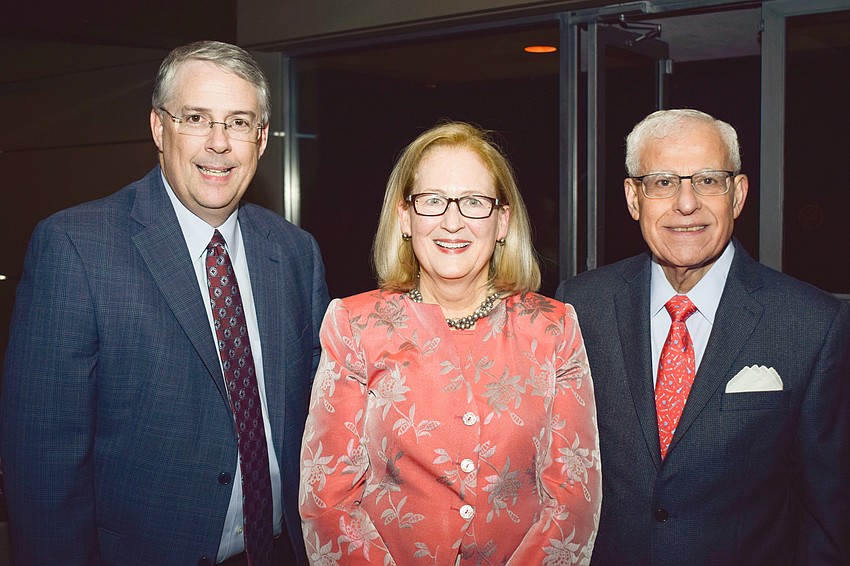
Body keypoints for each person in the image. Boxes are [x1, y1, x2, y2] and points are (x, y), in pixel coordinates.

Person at [0, 41, 329, 565]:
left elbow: (320, 419)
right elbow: (44, 464)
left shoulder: (294, 253)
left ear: (262, 139)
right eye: (196, 117)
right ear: (159, 127)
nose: (219, 143)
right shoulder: (76, 247)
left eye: (239, 122)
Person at [556, 108, 850, 565]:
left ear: (738, 195)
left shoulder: (811, 323)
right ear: (634, 198)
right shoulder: (580, 307)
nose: (687, 203)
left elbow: (829, 513)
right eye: (663, 182)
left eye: (709, 180)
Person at [299, 121, 600, 565]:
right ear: (406, 217)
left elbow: (573, 499)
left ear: (502, 220)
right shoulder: (355, 326)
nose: (453, 221)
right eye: (433, 201)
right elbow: (328, 500)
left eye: (474, 202)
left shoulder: (554, 329)